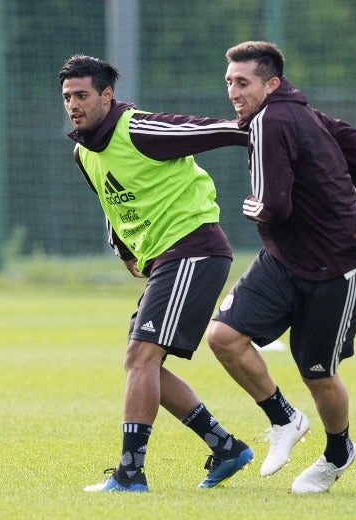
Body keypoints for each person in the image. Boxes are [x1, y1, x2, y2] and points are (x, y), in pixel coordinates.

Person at [207, 41, 356, 494]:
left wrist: (257, 209)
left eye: (242, 82)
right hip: (284, 260)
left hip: (337, 268)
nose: (233, 91)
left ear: (272, 83)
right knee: (223, 336)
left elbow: (277, 206)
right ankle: (285, 419)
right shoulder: (293, 110)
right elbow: (346, 132)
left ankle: (338, 451)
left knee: (317, 373)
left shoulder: (272, 118)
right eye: (229, 81)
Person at [58, 54, 253, 492]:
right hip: (167, 259)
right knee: (145, 366)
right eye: (68, 96)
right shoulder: (83, 151)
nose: (73, 104)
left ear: (107, 95)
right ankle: (225, 447)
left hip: (193, 249)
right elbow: (112, 198)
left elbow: (205, 129)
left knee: (140, 360)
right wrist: (125, 247)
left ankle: (130, 474)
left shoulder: (138, 128)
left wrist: (257, 129)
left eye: (83, 95)